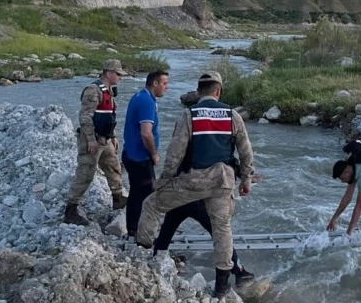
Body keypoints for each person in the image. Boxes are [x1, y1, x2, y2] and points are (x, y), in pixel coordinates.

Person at [135, 71, 255, 299]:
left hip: (193, 181)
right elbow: (246, 151)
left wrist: (164, 181)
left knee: (151, 205)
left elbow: (174, 154)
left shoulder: (189, 116)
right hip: (222, 181)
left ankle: (141, 253)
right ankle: (222, 284)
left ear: (199, 92)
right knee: (222, 230)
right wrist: (246, 180)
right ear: (218, 91)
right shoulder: (233, 115)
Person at [152, 163, 264, 288]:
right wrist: (247, 177)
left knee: (166, 233)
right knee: (221, 236)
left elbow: (170, 170)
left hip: (177, 200)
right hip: (197, 202)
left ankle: (155, 264)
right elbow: (222, 165)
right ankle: (239, 272)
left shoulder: (181, 149)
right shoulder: (203, 152)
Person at [63, 59, 129, 226]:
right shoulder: (93, 90)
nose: (120, 77)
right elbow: (85, 116)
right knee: (86, 173)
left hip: (105, 138)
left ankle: (118, 197)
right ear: (108, 73)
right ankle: (71, 209)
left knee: (113, 166)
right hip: (92, 139)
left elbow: (109, 116)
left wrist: (113, 136)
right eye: (118, 74)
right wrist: (90, 140)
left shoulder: (110, 92)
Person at [122, 70, 169, 237]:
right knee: (144, 194)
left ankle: (135, 228)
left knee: (138, 192)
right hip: (140, 157)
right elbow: (146, 133)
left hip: (131, 153)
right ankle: (138, 230)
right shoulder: (147, 102)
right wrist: (155, 154)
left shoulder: (140, 96)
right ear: (154, 83)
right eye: (164, 83)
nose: (167, 87)